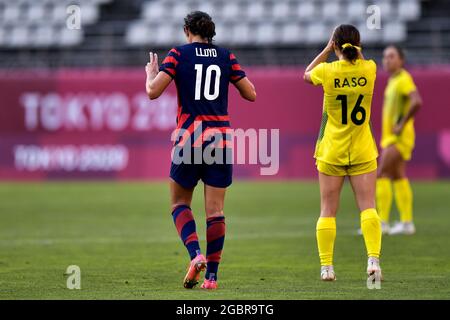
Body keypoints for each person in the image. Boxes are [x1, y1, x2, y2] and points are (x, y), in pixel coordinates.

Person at [145, 11, 256, 290]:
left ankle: (196, 255)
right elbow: (251, 93)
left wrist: (151, 74)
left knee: (179, 203)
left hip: (189, 137)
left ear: (186, 31)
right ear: (211, 33)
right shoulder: (226, 56)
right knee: (215, 211)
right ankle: (212, 278)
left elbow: (152, 92)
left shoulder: (177, 55)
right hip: (220, 139)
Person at [304, 25, 382, 281]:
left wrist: (327, 49)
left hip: (331, 150)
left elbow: (306, 74)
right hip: (362, 149)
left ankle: (327, 267)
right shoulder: (369, 69)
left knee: (328, 209)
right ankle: (373, 261)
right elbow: (360, 60)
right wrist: (350, 49)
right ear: (359, 46)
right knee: (368, 207)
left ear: (335, 45)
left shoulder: (327, 71)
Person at [377, 45, 422, 235]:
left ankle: (382, 223)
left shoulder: (403, 79)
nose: (387, 60)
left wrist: (402, 124)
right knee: (398, 176)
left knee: (381, 175)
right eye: (385, 57)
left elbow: (417, 101)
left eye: (391, 56)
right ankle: (406, 223)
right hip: (392, 137)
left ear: (401, 60)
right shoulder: (393, 81)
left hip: (397, 137)